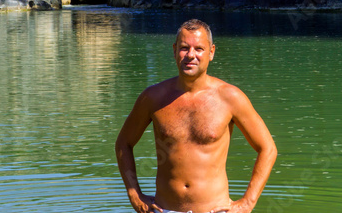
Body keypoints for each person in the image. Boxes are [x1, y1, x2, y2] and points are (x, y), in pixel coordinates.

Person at [115, 19, 277, 213]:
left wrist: (247, 203)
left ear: (211, 52)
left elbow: (267, 148)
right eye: (184, 48)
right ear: (174, 50)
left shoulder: (230, 97)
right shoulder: (153, 98)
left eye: (199, 48)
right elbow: (124, 143)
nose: (190, 55)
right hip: (165, 210)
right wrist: (135, 195)